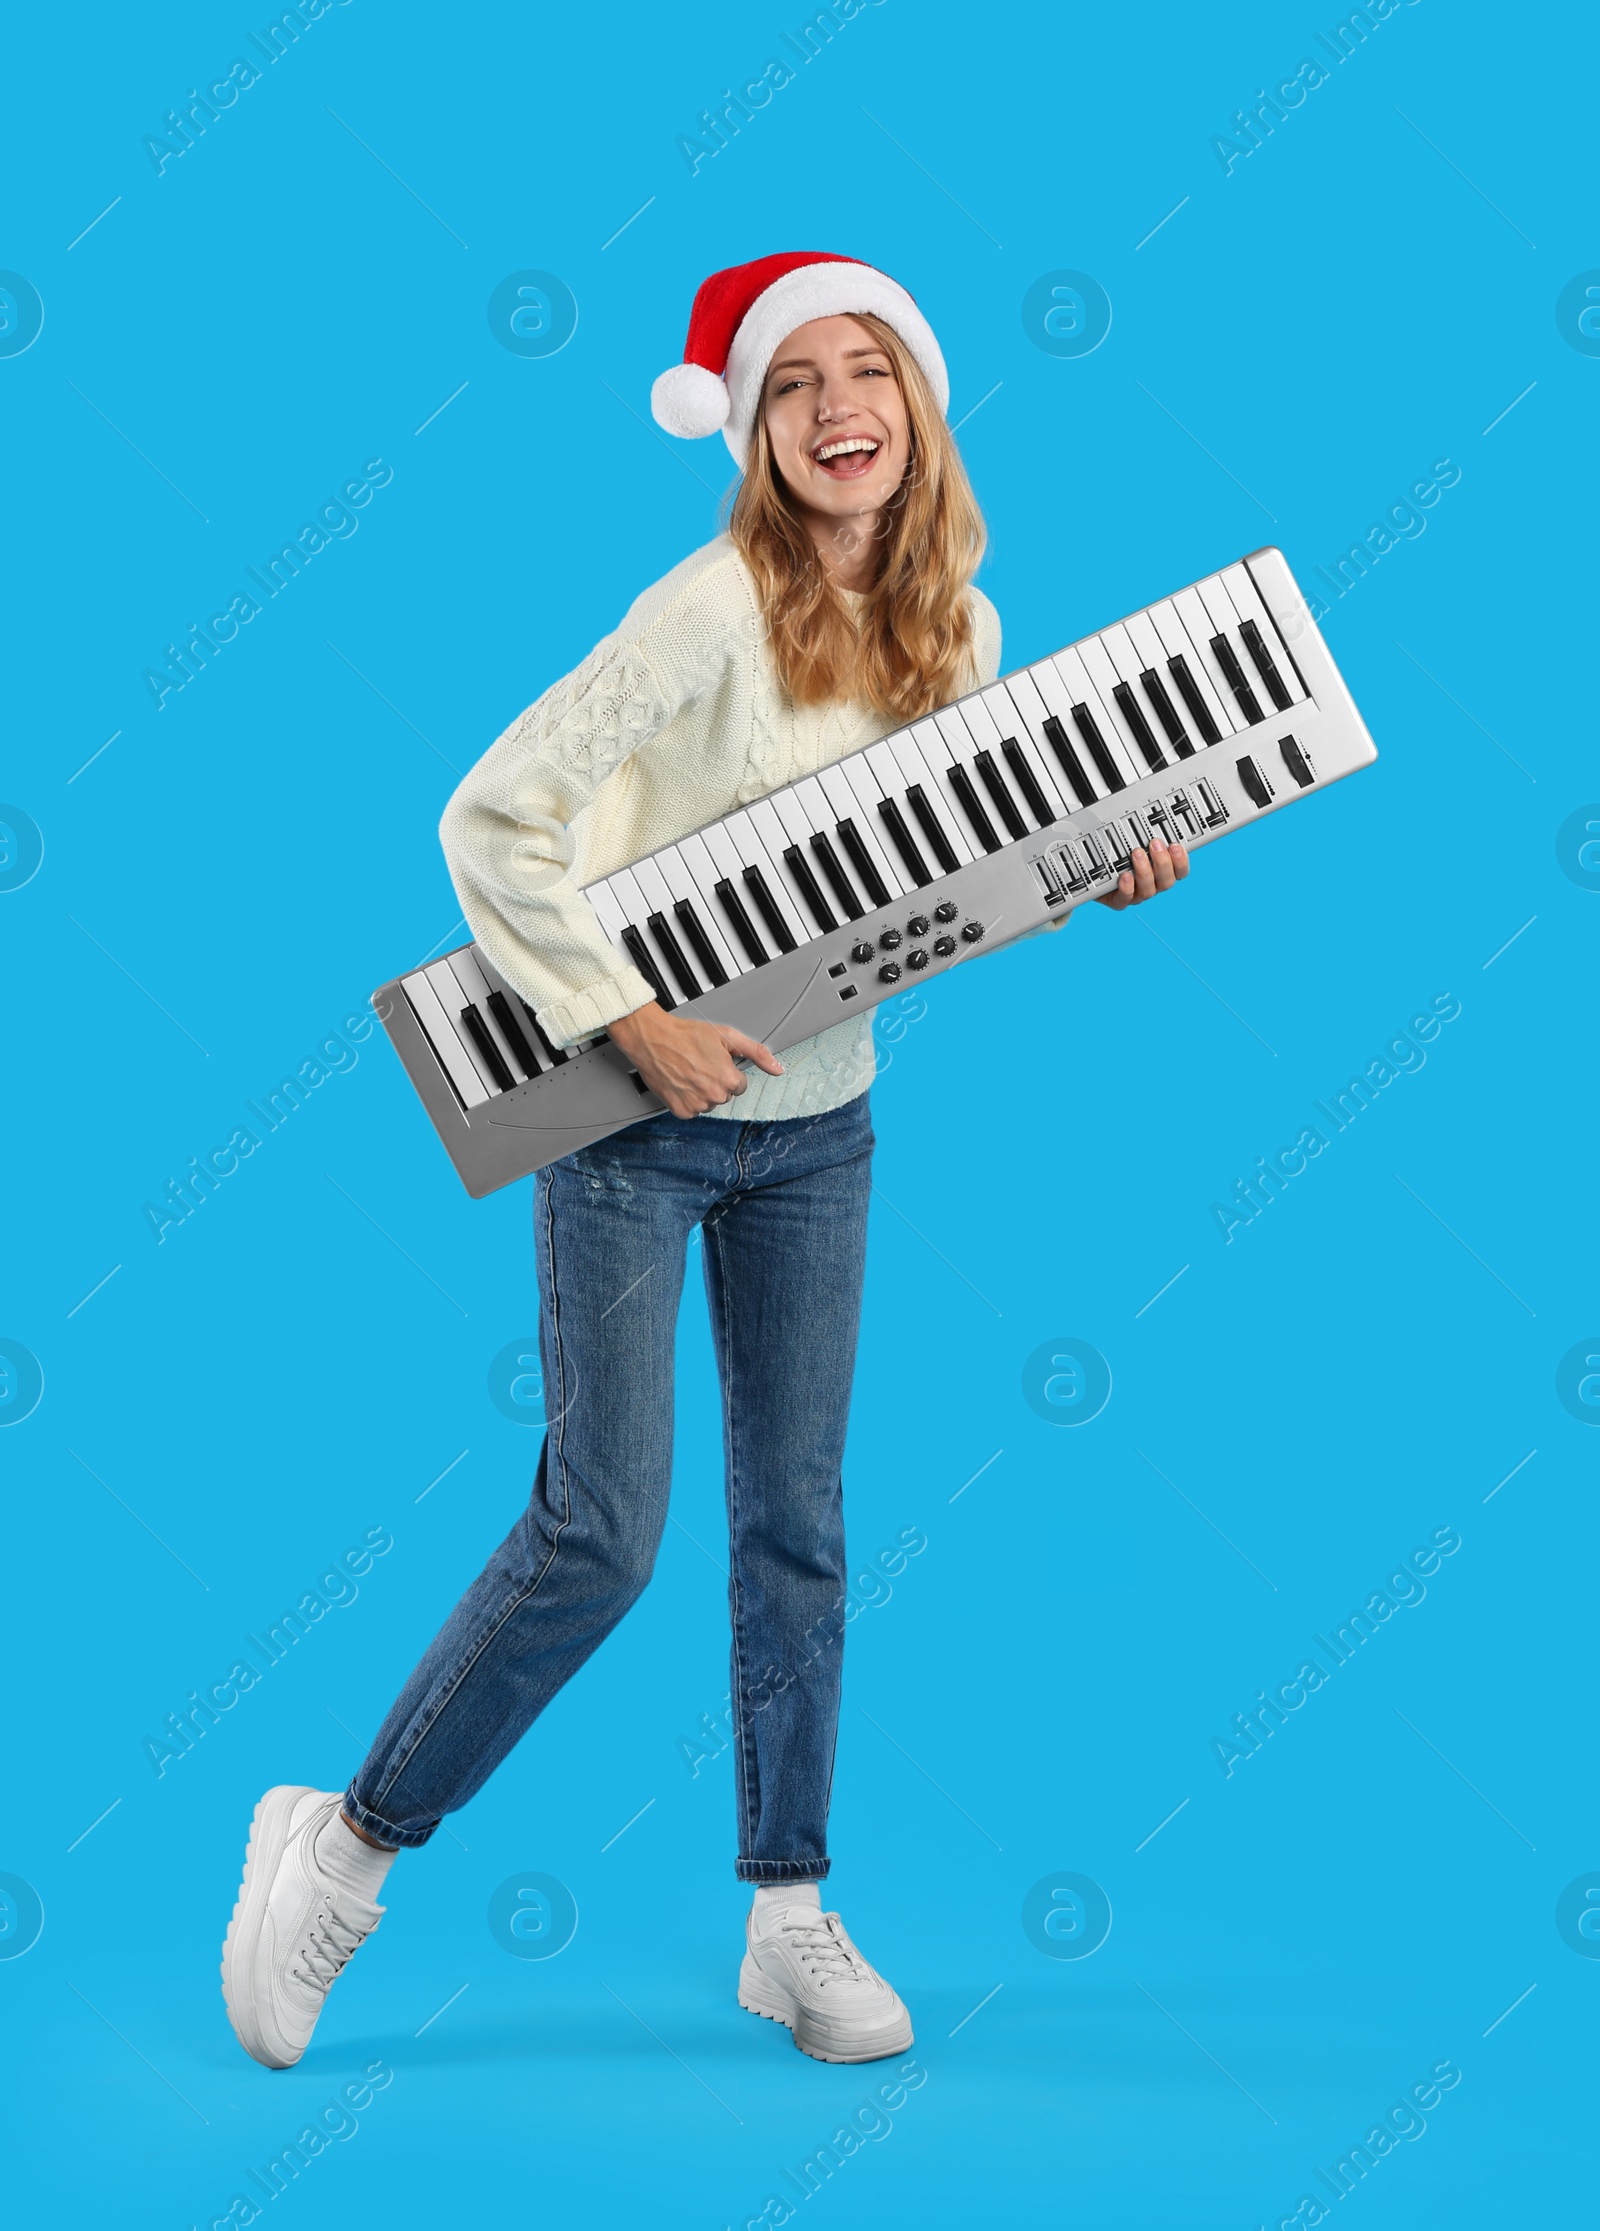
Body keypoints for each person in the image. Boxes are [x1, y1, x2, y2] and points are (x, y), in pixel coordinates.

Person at [219, 251, 1190, 2073]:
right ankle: (340, 1845)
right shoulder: (703, 612)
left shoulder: (959, 631)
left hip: (824, 1129)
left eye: (872, 373)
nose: (842, 410)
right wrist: (619, 1017)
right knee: (600, 1533)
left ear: (920, 406)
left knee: (797, 1529)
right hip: (637, 1133)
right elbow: (491, 820)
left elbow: (929, 903)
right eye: (801, 382)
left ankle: (788, 1913)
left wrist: (1088, 876)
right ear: (752, 427)